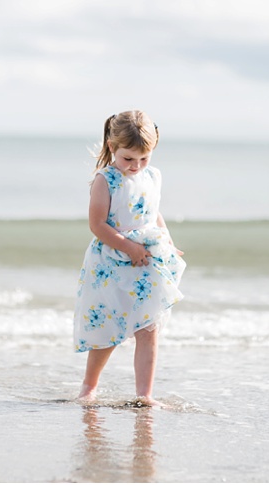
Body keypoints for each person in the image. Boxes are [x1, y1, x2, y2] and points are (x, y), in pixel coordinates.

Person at [73, 110, 186, 407]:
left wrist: (169, 242)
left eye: (143, 158)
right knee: (109, 329)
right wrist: (129, 248)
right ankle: (89, 386)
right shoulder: (106, 179)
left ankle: (144, 395)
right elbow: (97, 225)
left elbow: (153, 211)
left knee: (149, 328)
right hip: (112, 260)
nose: (136, 166)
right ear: (112, 147)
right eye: (128, 159)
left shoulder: (153, 176)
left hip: (146, 261)